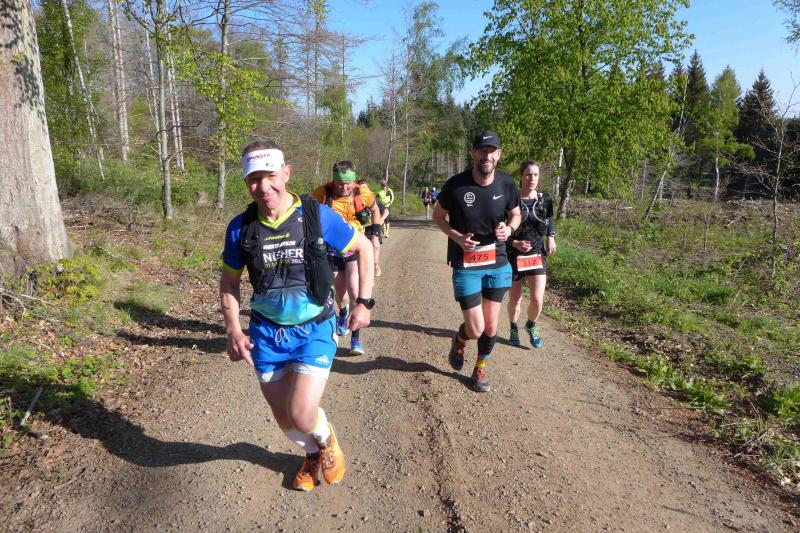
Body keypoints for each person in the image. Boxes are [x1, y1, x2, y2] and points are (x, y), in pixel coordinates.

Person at [220, 139, 375, 492]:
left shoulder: (316, 215)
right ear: (246, 183)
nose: (264, 187)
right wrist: (233, 329)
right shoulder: (240, 228)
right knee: (285, 419)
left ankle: (327, 440)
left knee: (302, 412)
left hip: (315, 328)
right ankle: (313, 454)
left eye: (270, 176)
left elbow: (364, 247)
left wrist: (363, 303)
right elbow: (229, 282)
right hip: (267, 334)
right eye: (254, 179)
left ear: (286, 173)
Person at [433, 131, 521, 392]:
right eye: (482, 151)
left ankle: (480, 367)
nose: (487, 156)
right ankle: (460, 340)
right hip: (466, 264)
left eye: (492, 151)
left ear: (499, 154)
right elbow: (437, 217)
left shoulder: (507, 184)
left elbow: (516, 214)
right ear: (473, 152)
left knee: (491, 326)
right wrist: (458, 237)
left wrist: (510, 229)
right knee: (475, 328)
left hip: (497, 263)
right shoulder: (455, 185)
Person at [313, 162, 382, 356]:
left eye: (348, 183)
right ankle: (342, 313)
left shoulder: (362, 193)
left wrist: (375, 234)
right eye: (340, 183)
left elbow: (375, 209)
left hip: (355, 249)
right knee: (341, 295)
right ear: (333, 180)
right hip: (331, 250)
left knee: (354, 292)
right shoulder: (321, 194)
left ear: (354, 180)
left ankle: (355, 338)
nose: (344, 187)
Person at [506, 160, 556, 348]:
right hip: (514, 255)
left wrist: (551, 237)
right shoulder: (511, 200)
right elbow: (501, 228)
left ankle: (531, 324)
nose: (532, 178)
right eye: (528, 174)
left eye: (535, 175)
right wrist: (514, 242)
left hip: (536, 254)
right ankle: (513, 327)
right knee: (515, 299)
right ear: (521, 176)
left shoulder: (545, 199)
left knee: (537, 300)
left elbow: (549, 219)